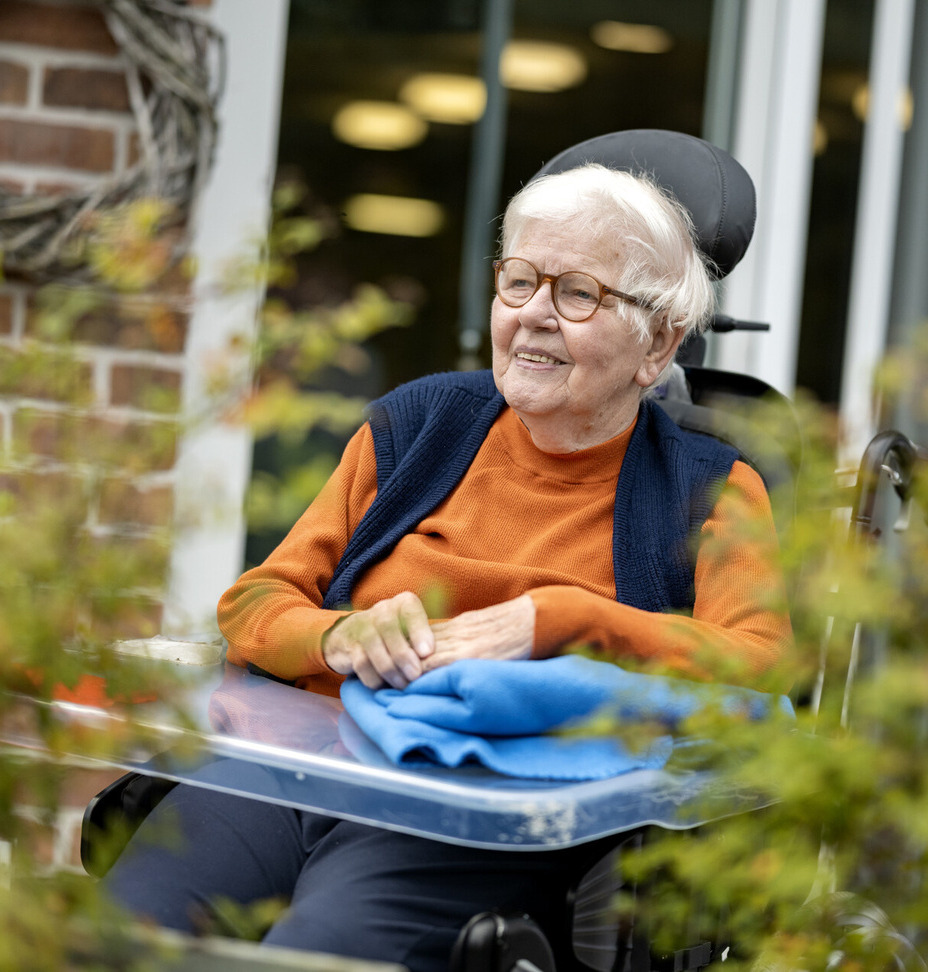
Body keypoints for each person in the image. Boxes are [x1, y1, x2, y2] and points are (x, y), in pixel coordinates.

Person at [104, 158, 789, 972]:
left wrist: (561, 622)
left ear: (658, 343)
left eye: (578, 295)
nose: (534, 315)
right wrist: (340, 636)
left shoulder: (709, 488)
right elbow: (257, 602)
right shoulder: (419, 425)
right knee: (121, 940)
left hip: (465, 812)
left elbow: (758, 665)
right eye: (520, 281)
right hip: (297, 768)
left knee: (309, 960)